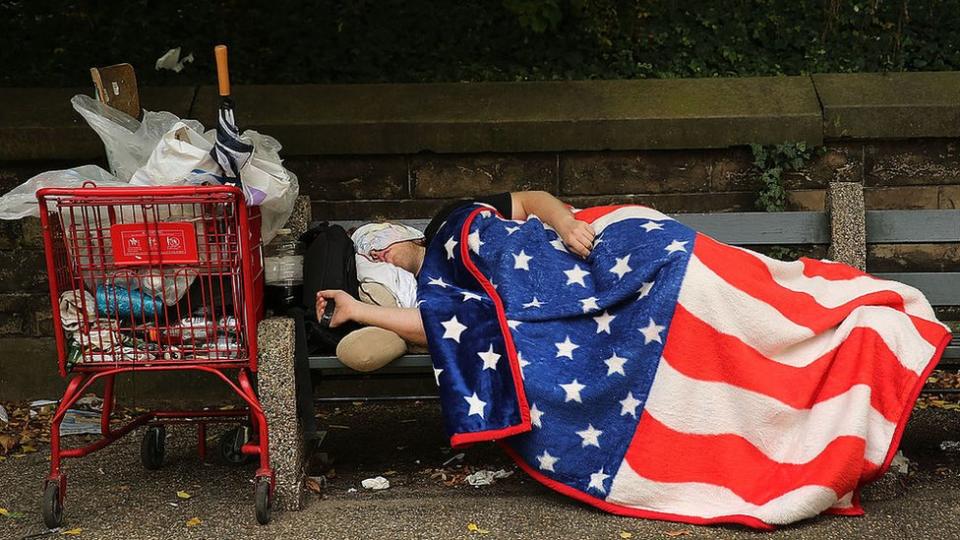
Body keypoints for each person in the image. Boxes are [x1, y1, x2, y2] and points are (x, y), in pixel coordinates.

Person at [315, 191, 595, 346]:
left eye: (374, 238)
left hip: (571, 254)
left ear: (407, 232)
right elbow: (436, 325)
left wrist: (565, 223)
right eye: (368, 256)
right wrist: (355, 309)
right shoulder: (428, 290)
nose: (375, 252)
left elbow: (528, 200)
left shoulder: (449, 219)